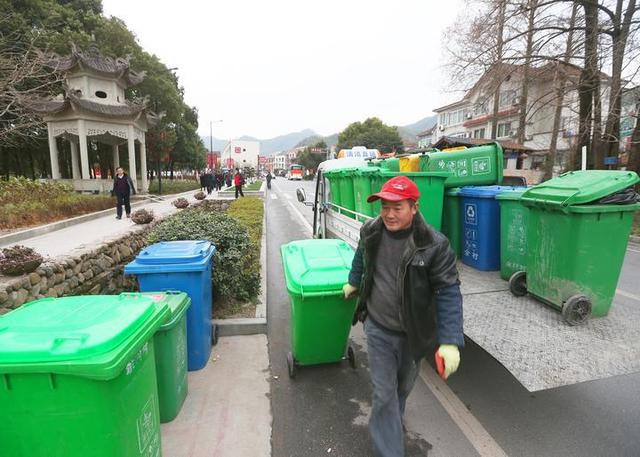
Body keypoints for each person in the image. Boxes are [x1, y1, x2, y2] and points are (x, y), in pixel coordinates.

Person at [343, 175, 463, 457]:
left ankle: (391, 422)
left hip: (413, 334)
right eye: (385, 206)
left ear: (414, 207)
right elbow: (361, 257)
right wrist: (353, 281)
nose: (389, 213)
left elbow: (448, 291)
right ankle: (389, 449)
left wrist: (450, 341)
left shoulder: (434, 245)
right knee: (383, 394)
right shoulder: (371, 231)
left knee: (401, 390)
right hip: (378, 328)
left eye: (398, 207)